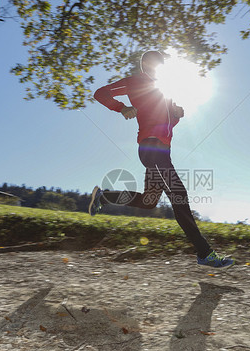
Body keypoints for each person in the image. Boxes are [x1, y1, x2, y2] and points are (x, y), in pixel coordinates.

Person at [89, 50, 233, 268]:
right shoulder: (133, 82)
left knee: (149, 201)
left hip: (162, 151)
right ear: (145, 63)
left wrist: (176, 116)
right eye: (157, 62)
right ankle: (204, 253)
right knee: (178, 194)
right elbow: (100, 93)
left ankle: (104, 196)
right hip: (151, 147)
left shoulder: (166, 91)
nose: (159, 67)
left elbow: (166, 125)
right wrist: (122, 108)